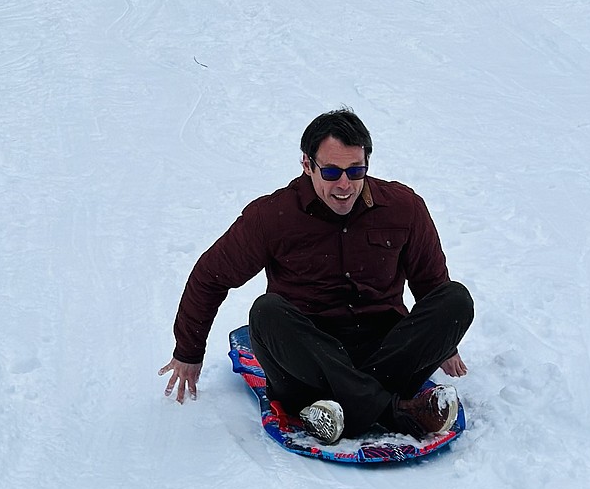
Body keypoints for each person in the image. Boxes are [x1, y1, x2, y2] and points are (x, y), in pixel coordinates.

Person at [159, 109, 474, 443]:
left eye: (356, 171)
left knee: (456, 300)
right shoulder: (272, 217)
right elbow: (211, 275)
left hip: (386, 357)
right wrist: (188, 352)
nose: (345, 184)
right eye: (331, 171)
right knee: (266, 312)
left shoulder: (403, 207)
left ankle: (338, 412)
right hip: (308, 364)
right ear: (307, 165)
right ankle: (398, 412)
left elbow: (432, 283)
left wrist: (443, 343)